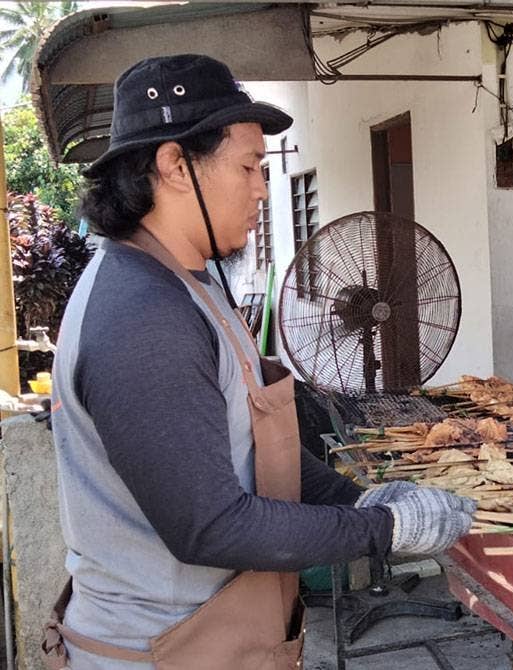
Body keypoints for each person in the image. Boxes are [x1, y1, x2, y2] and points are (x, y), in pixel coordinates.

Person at [46, 54, 473, 670]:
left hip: (221, 638)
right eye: (248, 166)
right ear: (174, 165)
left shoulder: (195, 282)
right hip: (158, 652)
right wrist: (383, 529)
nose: (262, 189)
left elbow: (252, 447)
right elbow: (210, 527)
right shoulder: (142, 314)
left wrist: (356, 499)